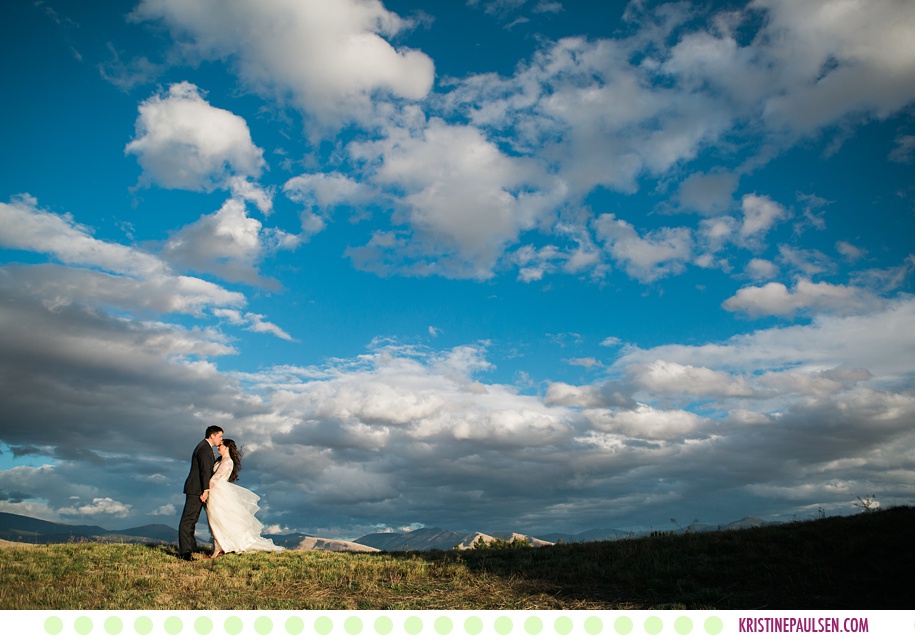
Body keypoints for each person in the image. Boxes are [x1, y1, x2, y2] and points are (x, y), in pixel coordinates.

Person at [206, 439, 284, 558]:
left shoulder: (227, 462)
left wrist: (206, 491)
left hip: (218, 492)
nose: (218, 447)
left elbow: (215, 478)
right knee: (218, 520)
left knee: (218, 520)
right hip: (217, 492)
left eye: (220, 445)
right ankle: (221, 546)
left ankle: (217, 550)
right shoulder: (220, 460)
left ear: (226, 447)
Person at [178, 425, 223, 561]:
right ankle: (185, 553)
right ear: (212, 435)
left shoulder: (205, 447)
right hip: (196, 489)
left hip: (197, 488)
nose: (221, 439)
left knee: (193, 520)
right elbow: (205, 471)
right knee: (188, 520)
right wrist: (206, 490)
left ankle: (191, 547)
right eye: (219, 436)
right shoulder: (204, 448)